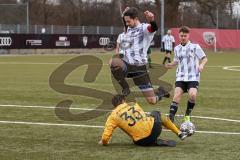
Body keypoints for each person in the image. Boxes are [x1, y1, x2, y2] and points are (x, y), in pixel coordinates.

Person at [109, 7, 169, 105]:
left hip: (139, 68)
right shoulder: (129, 27)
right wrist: (124, 15)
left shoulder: (144, 28)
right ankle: (125, 88)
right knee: (114, 61)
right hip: (127, 65)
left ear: (136, 19)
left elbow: (153, 28)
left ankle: (161, 92)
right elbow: (126, 22)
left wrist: (152, 20)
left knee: (152, 101)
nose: (127, 24)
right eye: (126, 22)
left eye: (129, 21)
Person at [99, 95, 189, 147]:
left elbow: (105, 138)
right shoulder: (133, 104)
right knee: (156, 113)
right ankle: (179, 133)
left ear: (114, 105)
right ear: (123, 101)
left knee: (135, 134)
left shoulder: (113, 116)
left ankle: (152, 142)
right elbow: (143, 117)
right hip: (155, 129)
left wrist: (104, 142)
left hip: (140, 142)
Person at [165, 26, 208, 122]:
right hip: (180, 76)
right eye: (181, 36)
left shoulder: (195, 47)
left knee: (192, 95)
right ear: (179, 36)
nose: (183, 37)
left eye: (185, 35)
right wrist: (170, 64)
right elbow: (176, 61)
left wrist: (201, 65)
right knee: (176, 96)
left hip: (193, 77)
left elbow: (205, 58)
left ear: (188, 36)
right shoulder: (176, 48)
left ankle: (187, 115)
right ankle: (170, 119)